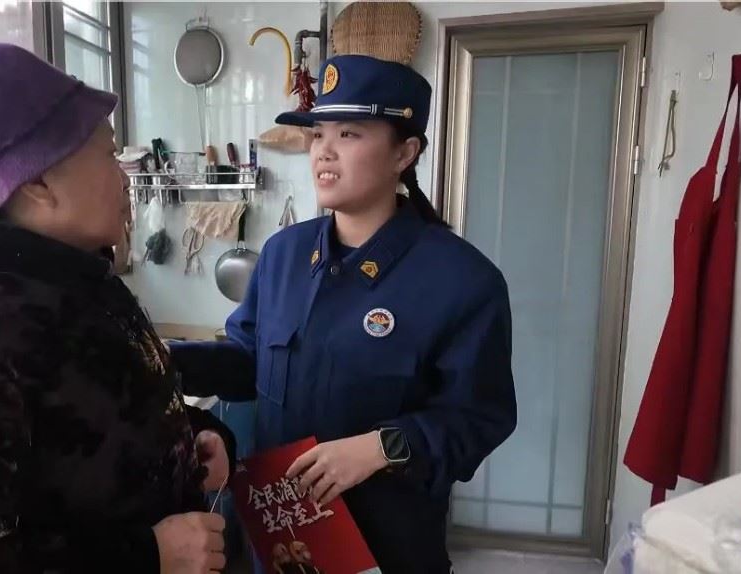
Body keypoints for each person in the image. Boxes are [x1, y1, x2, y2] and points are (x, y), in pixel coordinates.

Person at [0, 43, 234, 574]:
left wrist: (191, 439)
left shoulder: (83, 287)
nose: (125, 178)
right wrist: (150, 556)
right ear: (37, 180)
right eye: (110, 155)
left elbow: (96, 426)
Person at [169, 54, 517, 573]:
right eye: (318, 135)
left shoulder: (461, 280)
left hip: (388, 548)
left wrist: (380, 448)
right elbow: (248, 359)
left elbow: (478, 417)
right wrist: (161, 359)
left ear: (405, 153)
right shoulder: (284, 255)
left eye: (349, 134)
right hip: (285, 541)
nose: (324, 152)